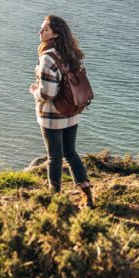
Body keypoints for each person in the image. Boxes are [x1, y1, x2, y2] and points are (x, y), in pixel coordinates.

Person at [29, 15, 94, 208]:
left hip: (52, 116)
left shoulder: (48, 58)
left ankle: (55, 200)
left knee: (54, 157)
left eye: (45, 30)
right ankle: (87, 196)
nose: (40, 33)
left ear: (55, 34)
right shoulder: (72, 53)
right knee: (70, 153)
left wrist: (34, 91)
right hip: (72, 111)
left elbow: (47, 93)